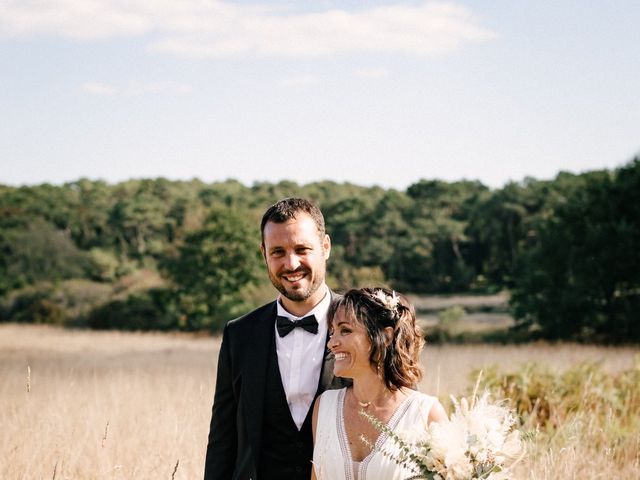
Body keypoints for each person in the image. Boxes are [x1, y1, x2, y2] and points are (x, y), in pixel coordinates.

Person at [204, 197, 350, 480]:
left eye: (302, 249)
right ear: (264, 254)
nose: (291, 263)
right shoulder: (239, 334)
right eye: (278, 252)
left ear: (326, 247)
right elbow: (222, 439)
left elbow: (397, 417)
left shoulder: (367, 325)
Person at [311, 287, 447, 480]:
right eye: (332, 332)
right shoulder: (324, 406)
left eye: (345, 330)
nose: (331, 343)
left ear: (385, 336)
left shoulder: (426, 414)